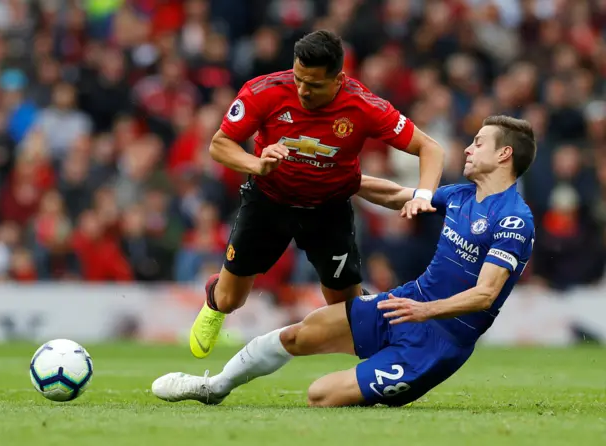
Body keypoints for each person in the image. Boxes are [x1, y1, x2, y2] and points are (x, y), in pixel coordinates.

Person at [152, 115, 537, 408]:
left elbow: (485, 294)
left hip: (437, 341)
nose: (468, 150)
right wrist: (337, 175)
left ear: (504, 154)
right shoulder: (462, 195)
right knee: (297, 334)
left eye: (478, 143)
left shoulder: (513, 219)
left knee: (320, 395)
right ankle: (213, 387)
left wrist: (425, 311)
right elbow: (397, 195)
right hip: (403, 304)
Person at [190, 29, 445, 359]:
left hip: (328, 210)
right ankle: (214, 294)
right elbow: (219, 145)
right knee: (230, 300)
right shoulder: (264, 91)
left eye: (313, 84)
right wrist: (256, 164)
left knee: (345, 310)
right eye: (298, 79)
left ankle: (386, 354)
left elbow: (430, 148)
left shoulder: (363, 105)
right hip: (268, 202)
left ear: (338, 79)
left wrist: (424, 194)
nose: (302, 90)